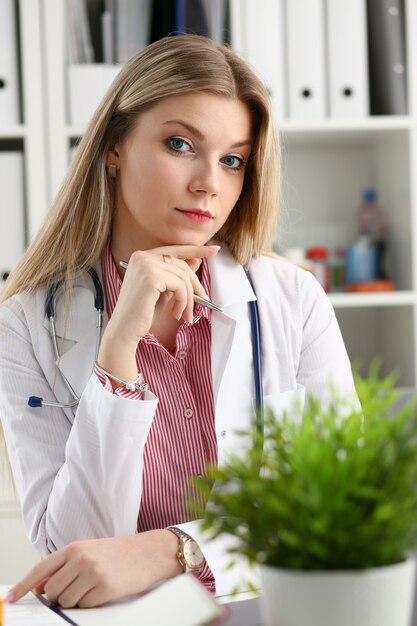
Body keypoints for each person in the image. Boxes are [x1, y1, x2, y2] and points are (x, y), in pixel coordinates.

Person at [0, 34, 357, 608]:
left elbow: (337, 517)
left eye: (233, 160)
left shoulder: (293, 301)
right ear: (114, 146)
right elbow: (78, 555)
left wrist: (173, 549)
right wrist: (116, 357)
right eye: (180, 144)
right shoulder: (25, 325)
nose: (209, 184)